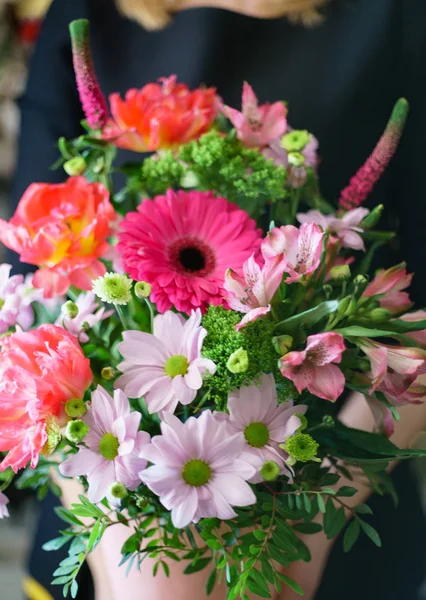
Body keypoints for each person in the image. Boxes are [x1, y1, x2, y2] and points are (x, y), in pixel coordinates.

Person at [11, 0, 426, 598]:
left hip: (339, 518)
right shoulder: (84, 11)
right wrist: (113, 562)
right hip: (105, 527)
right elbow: (30, 302)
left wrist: (305, 550)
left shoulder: (396, 16)